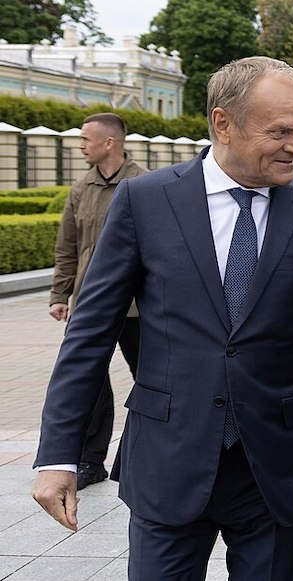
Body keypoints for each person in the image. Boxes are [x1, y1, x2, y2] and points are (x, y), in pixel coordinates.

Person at [32, 56, 293, 581]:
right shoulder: (145, 201)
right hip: (167, 459)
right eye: (280, 132)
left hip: (276, 471)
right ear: (223, 123)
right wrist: (57, 453)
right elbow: (90, 334)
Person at [48, 112, 147, 490]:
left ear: (110, 143)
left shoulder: (145, 185)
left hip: (140, 307)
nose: (80, 146)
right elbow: (67, 246)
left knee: (152, 381)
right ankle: (91, 461)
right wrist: (61, 294)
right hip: (92, 304)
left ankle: (145, 451)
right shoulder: (81, 188)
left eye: (86, 140)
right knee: (89, 381)